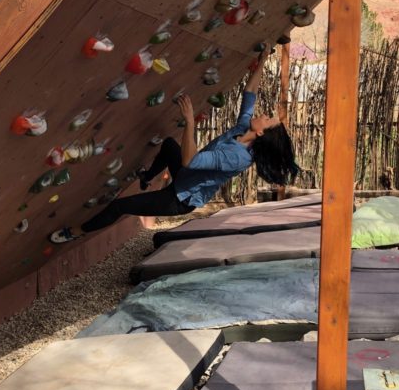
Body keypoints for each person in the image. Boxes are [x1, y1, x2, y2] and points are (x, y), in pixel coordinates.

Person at [48, 47, 299, 243]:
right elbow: (250, 93)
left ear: (262, 133)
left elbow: (191, 160)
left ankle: (76, 231)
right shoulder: (244, 129)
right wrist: (264, 59)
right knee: (169, 145)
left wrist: (189, 121)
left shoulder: (238, 157)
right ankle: (146, 177)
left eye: (267, 119)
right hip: (185, 175)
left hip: (180, 197)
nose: (263, 115)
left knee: (119, 206)